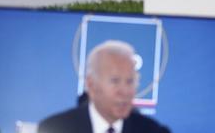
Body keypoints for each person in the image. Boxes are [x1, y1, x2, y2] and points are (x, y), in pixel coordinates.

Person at [38, 40, 170, 133]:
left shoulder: (153, 130)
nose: (124, 91)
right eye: (115, 81)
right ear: (91, 85)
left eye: (130, 81)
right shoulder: (54, 128)